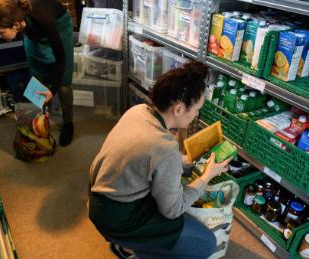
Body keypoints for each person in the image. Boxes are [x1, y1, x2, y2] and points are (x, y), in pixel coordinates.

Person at [88, 61, 232, 259]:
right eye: (197, 109)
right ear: (179, 109)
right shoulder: (165, 148)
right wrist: (206, 177)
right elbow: (173, 210)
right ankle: (137, 249)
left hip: (101, 202)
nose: (197, 114)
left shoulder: (138, 112)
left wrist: (186, 161)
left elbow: (148, 159)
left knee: (175, 191)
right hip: (119, 218)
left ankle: (131, 244)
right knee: (205, 244)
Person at [0, 0, 75, 146]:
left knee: (63, 81)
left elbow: (60, 58)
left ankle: (68, 123)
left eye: (0, 32)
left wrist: (53, 89)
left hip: (58, 25)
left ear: (16, 25)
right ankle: (36, 122)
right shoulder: (2, 18)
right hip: (33, 30)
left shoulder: (45, 21)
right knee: (36, 75)